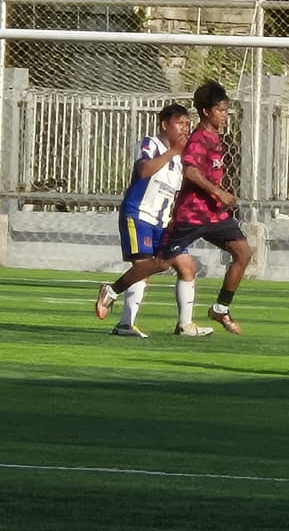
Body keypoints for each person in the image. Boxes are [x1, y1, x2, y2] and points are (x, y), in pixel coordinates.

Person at [94, 103, 205, 338]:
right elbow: (143, 170)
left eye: (187, 124)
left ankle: (185, 325)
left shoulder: (181, 159)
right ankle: (125, 322)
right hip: (139, 214)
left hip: (163, 221)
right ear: (165, 124)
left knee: (187, 267)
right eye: (179, 123)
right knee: (144, 268)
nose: (185, 128)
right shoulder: (151, 144)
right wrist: (173, 151)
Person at [162, 81, 253, 334]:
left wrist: (219, 196)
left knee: (243, 253)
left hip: (213, 213)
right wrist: (219, 192)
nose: (225, 115)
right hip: (193, 213)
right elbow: (190, 171)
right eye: (220, 110)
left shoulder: (214, 138)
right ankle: (114, 290)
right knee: (160, 262)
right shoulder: (200, 138)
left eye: (226, 110)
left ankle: (220, 309)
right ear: (205, 111)